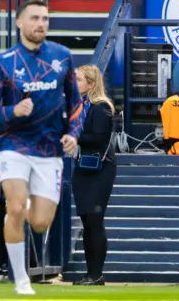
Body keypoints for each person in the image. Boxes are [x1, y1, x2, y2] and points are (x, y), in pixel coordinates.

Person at [0, 0, 83, 295]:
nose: (41, 24)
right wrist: (13, 111)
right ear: (20, 23)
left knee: (39, 222)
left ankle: (26, 208)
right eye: (35, 18)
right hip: (13, 145)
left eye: (46, 19)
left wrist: (73, 133)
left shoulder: (62, 56)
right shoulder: (3, 62)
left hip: (50, 150)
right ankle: (21, 280)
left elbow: (76, 102)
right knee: (14, 206)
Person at [72, 64, 116, 286]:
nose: (74, 83)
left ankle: (96, 273)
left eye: (79, 80)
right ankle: (91, 273)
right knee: (87, 220)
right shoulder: (80, 106)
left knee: (95, 220)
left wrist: (72, 135)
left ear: (91, 84)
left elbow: (98, 139)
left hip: (100, 169)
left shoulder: (101, 107)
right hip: (83, 167)